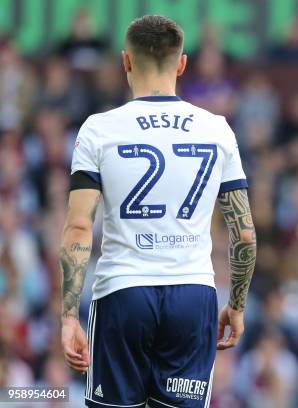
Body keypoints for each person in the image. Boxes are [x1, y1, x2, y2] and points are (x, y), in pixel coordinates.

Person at [59, 15, 256, 408]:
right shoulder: (216, 128)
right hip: (192, 295)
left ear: (126, 61)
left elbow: (79, 226)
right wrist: (235, 305)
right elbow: (245, 233)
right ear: (181, 64)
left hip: (122, 294)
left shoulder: (99, 129)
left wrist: (67, 316)